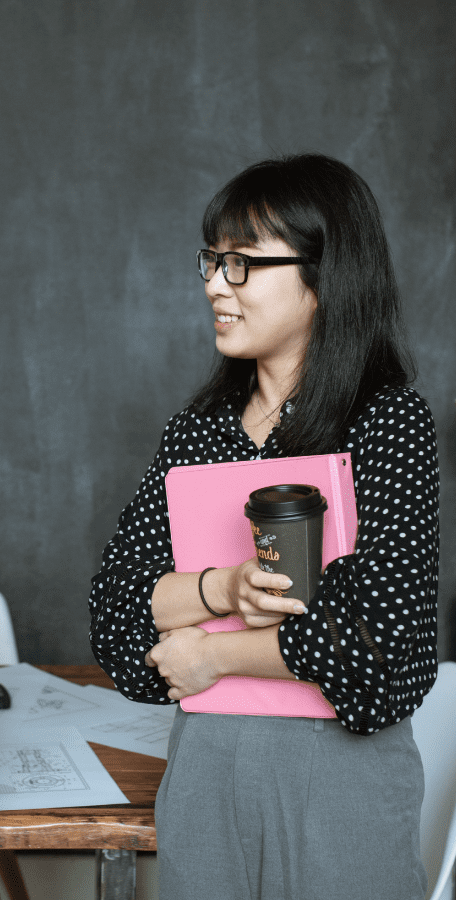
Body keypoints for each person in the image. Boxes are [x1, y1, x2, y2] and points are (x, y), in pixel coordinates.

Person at [89, 153, 439, 900]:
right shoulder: (197, 432)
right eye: (212, 261)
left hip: (339, 781)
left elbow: (385, 651)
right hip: (205, 775)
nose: (216, 284)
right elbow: (116, 620)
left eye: (243, 263)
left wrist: (215, 655)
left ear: (325, 277)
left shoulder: (385, 423)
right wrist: (222, 588)